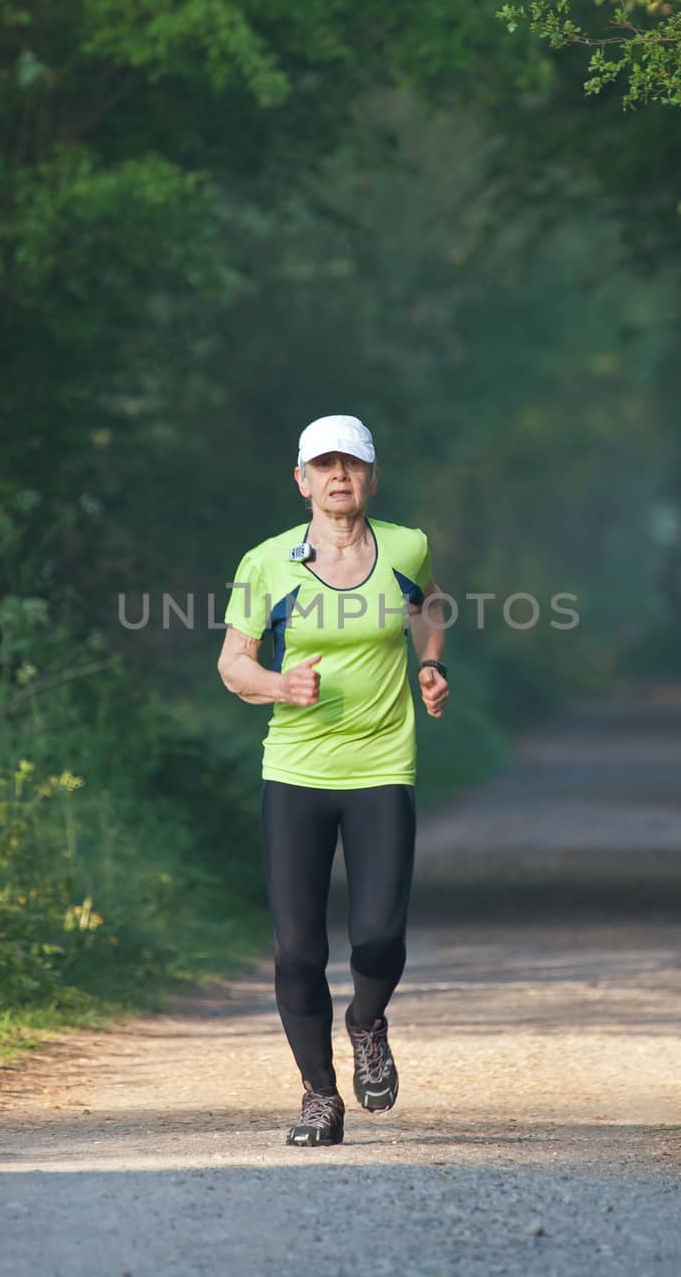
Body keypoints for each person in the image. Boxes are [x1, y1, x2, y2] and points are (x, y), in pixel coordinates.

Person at [217, 414, 449, 1147]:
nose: (338, 476)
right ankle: (319, 1096)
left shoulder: (407, 547)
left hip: (383, 766)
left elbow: (430, 610)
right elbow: (233, 664)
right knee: (297, 949)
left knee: (378, 936)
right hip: (295, 772)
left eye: (351, 464)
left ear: (370, 477)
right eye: (324, 465)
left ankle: (367, 1022)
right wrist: (280, 687)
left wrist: (431, 665)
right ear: (301, 480)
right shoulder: (266, 563)